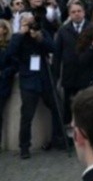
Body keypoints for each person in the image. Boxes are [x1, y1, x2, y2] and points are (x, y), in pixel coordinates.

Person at [6, 13, 64, 159]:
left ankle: (58, 139)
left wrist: (39, 38)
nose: (31, 24)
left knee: (57, 107)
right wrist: (21, 34)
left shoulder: (41, 33)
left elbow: (53, 48)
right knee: (27, 115)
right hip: (29, 81)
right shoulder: (17, 36)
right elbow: (9, 53)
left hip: (45, 79)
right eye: (27, 22)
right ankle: (24, 146)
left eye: (32, 21)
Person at [52, 1, 87, 125]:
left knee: (87, 107)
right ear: (69, 14)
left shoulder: (92, 28)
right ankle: (69, 137)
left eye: (79, 11)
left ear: (84, 12)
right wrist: (55, 75)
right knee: (69, 105)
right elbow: (57, 54)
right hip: (70, 75)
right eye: (73, 12)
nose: (76, 14)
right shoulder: (63, 30)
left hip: (87, 76)